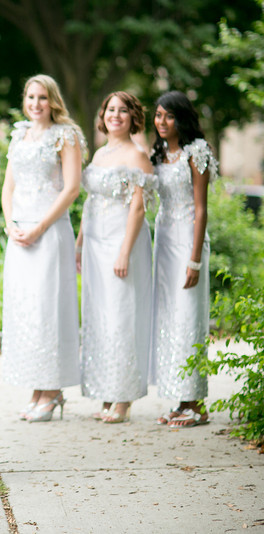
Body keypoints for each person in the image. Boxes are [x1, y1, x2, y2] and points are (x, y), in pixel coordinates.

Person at [0, 74, 86, 423]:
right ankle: (38, 389)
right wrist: (11, 225)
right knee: (28, 311)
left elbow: (72, 189)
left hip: (49, 233)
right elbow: (8, 186)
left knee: (50, 309)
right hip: (20, 235)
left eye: (42, 97)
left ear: (53, 101)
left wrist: (38, 228)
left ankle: (52, 391)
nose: (35, 103)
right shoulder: (19, 134)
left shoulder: (66, 135)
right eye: (30, 97)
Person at [76, 91, 154, 423]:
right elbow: (90, 202)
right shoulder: (99, 154)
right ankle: (107, 390)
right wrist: (80, 241)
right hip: (95, 243)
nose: (116, 115)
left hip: (124, 243)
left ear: (133, 117)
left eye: (123, 111)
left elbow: (139, 207)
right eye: (111, 109)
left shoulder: (138, 155)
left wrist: (124, 251)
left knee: (122, 316)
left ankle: (124, 395)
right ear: (103, 114)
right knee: (101, 317)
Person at [149, 91, 217, 428]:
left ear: (182, 118)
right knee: (170, 320)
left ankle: (197, 404)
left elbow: (201, 209)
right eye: (158, 116)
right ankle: (180, 399)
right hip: (163, 241)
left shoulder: (197, 152)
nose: (162, 122)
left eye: (169, 116)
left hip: (188, 242)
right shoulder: (158, 152)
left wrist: (194, 261)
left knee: (189, 318)